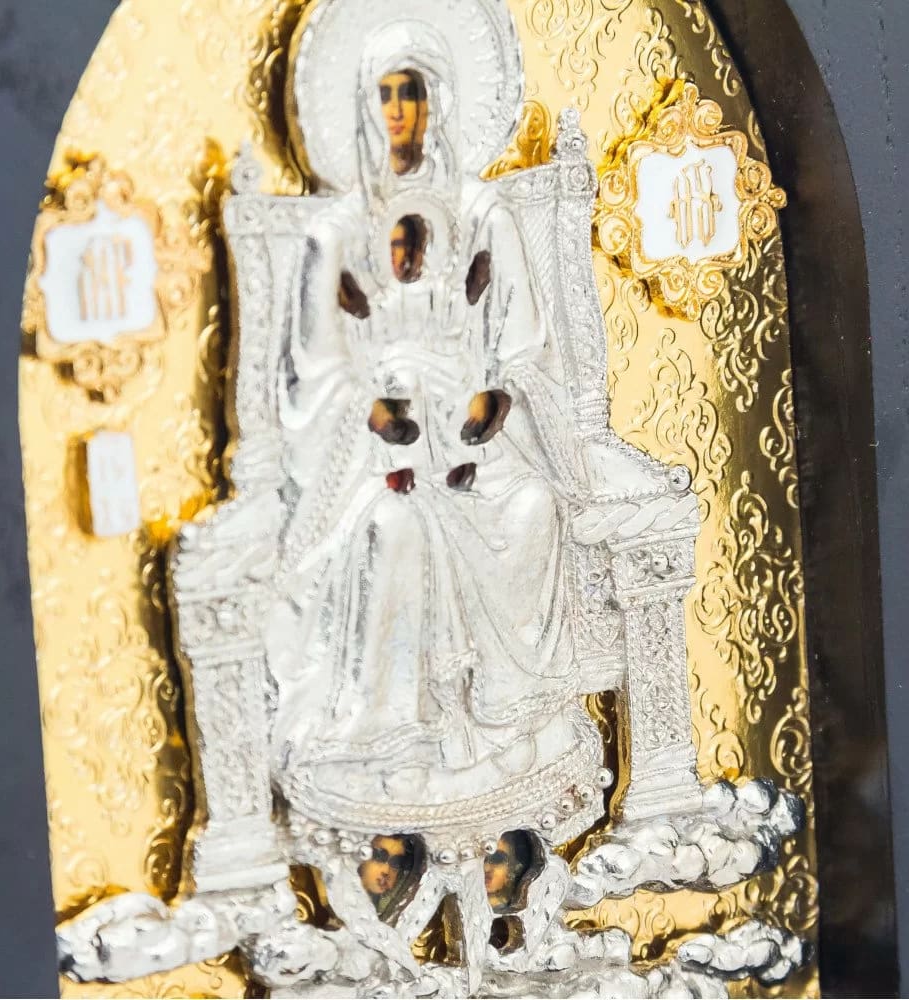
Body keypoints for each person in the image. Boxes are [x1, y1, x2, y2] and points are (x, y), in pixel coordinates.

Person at [267, 21, 601, 840]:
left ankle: (510, 711)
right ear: (360, 105)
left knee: (532, 510)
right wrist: (375, 415)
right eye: (384, 94)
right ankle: (391, 736)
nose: (398, 110)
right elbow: (313, 376)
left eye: (411, 92)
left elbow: (522, 346)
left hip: (471, 438)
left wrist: (494, 401)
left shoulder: (482, 213)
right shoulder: (336, 234)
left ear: (438, 101)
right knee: (396, 530)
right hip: (369, 453)